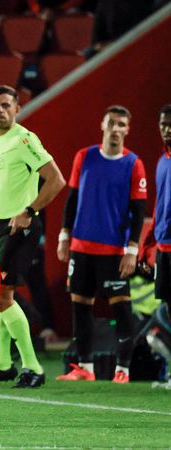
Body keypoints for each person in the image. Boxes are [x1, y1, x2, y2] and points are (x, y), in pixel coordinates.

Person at [0, 85, 65, 388]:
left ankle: (33, 367)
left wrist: (30, 211)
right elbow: (6, 184)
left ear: (17, 109)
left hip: (21, 227)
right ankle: (2, 364)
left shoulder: (25, 139)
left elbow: (55, 180)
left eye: (6, 105)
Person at [56, 105, 145, 384]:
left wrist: (132, 250)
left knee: (121, 308)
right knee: (80, 306)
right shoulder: (85, 156)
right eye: (112, 123)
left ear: (127, 130)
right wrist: (64, 236)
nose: (116, 129)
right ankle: (85, 367)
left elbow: (138, 211)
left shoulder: (134, 163)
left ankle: (123, 370)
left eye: (122, 125)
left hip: (113, 251)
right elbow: (72, 200)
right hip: (81, 247)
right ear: (102, 125)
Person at [139, 104, 171, 390]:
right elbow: (160, 204)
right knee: (167, 306)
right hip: (163, 246)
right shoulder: (162, 161)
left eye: (170, 124)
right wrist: (149, 242)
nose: (167, 129)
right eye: (163, 124)